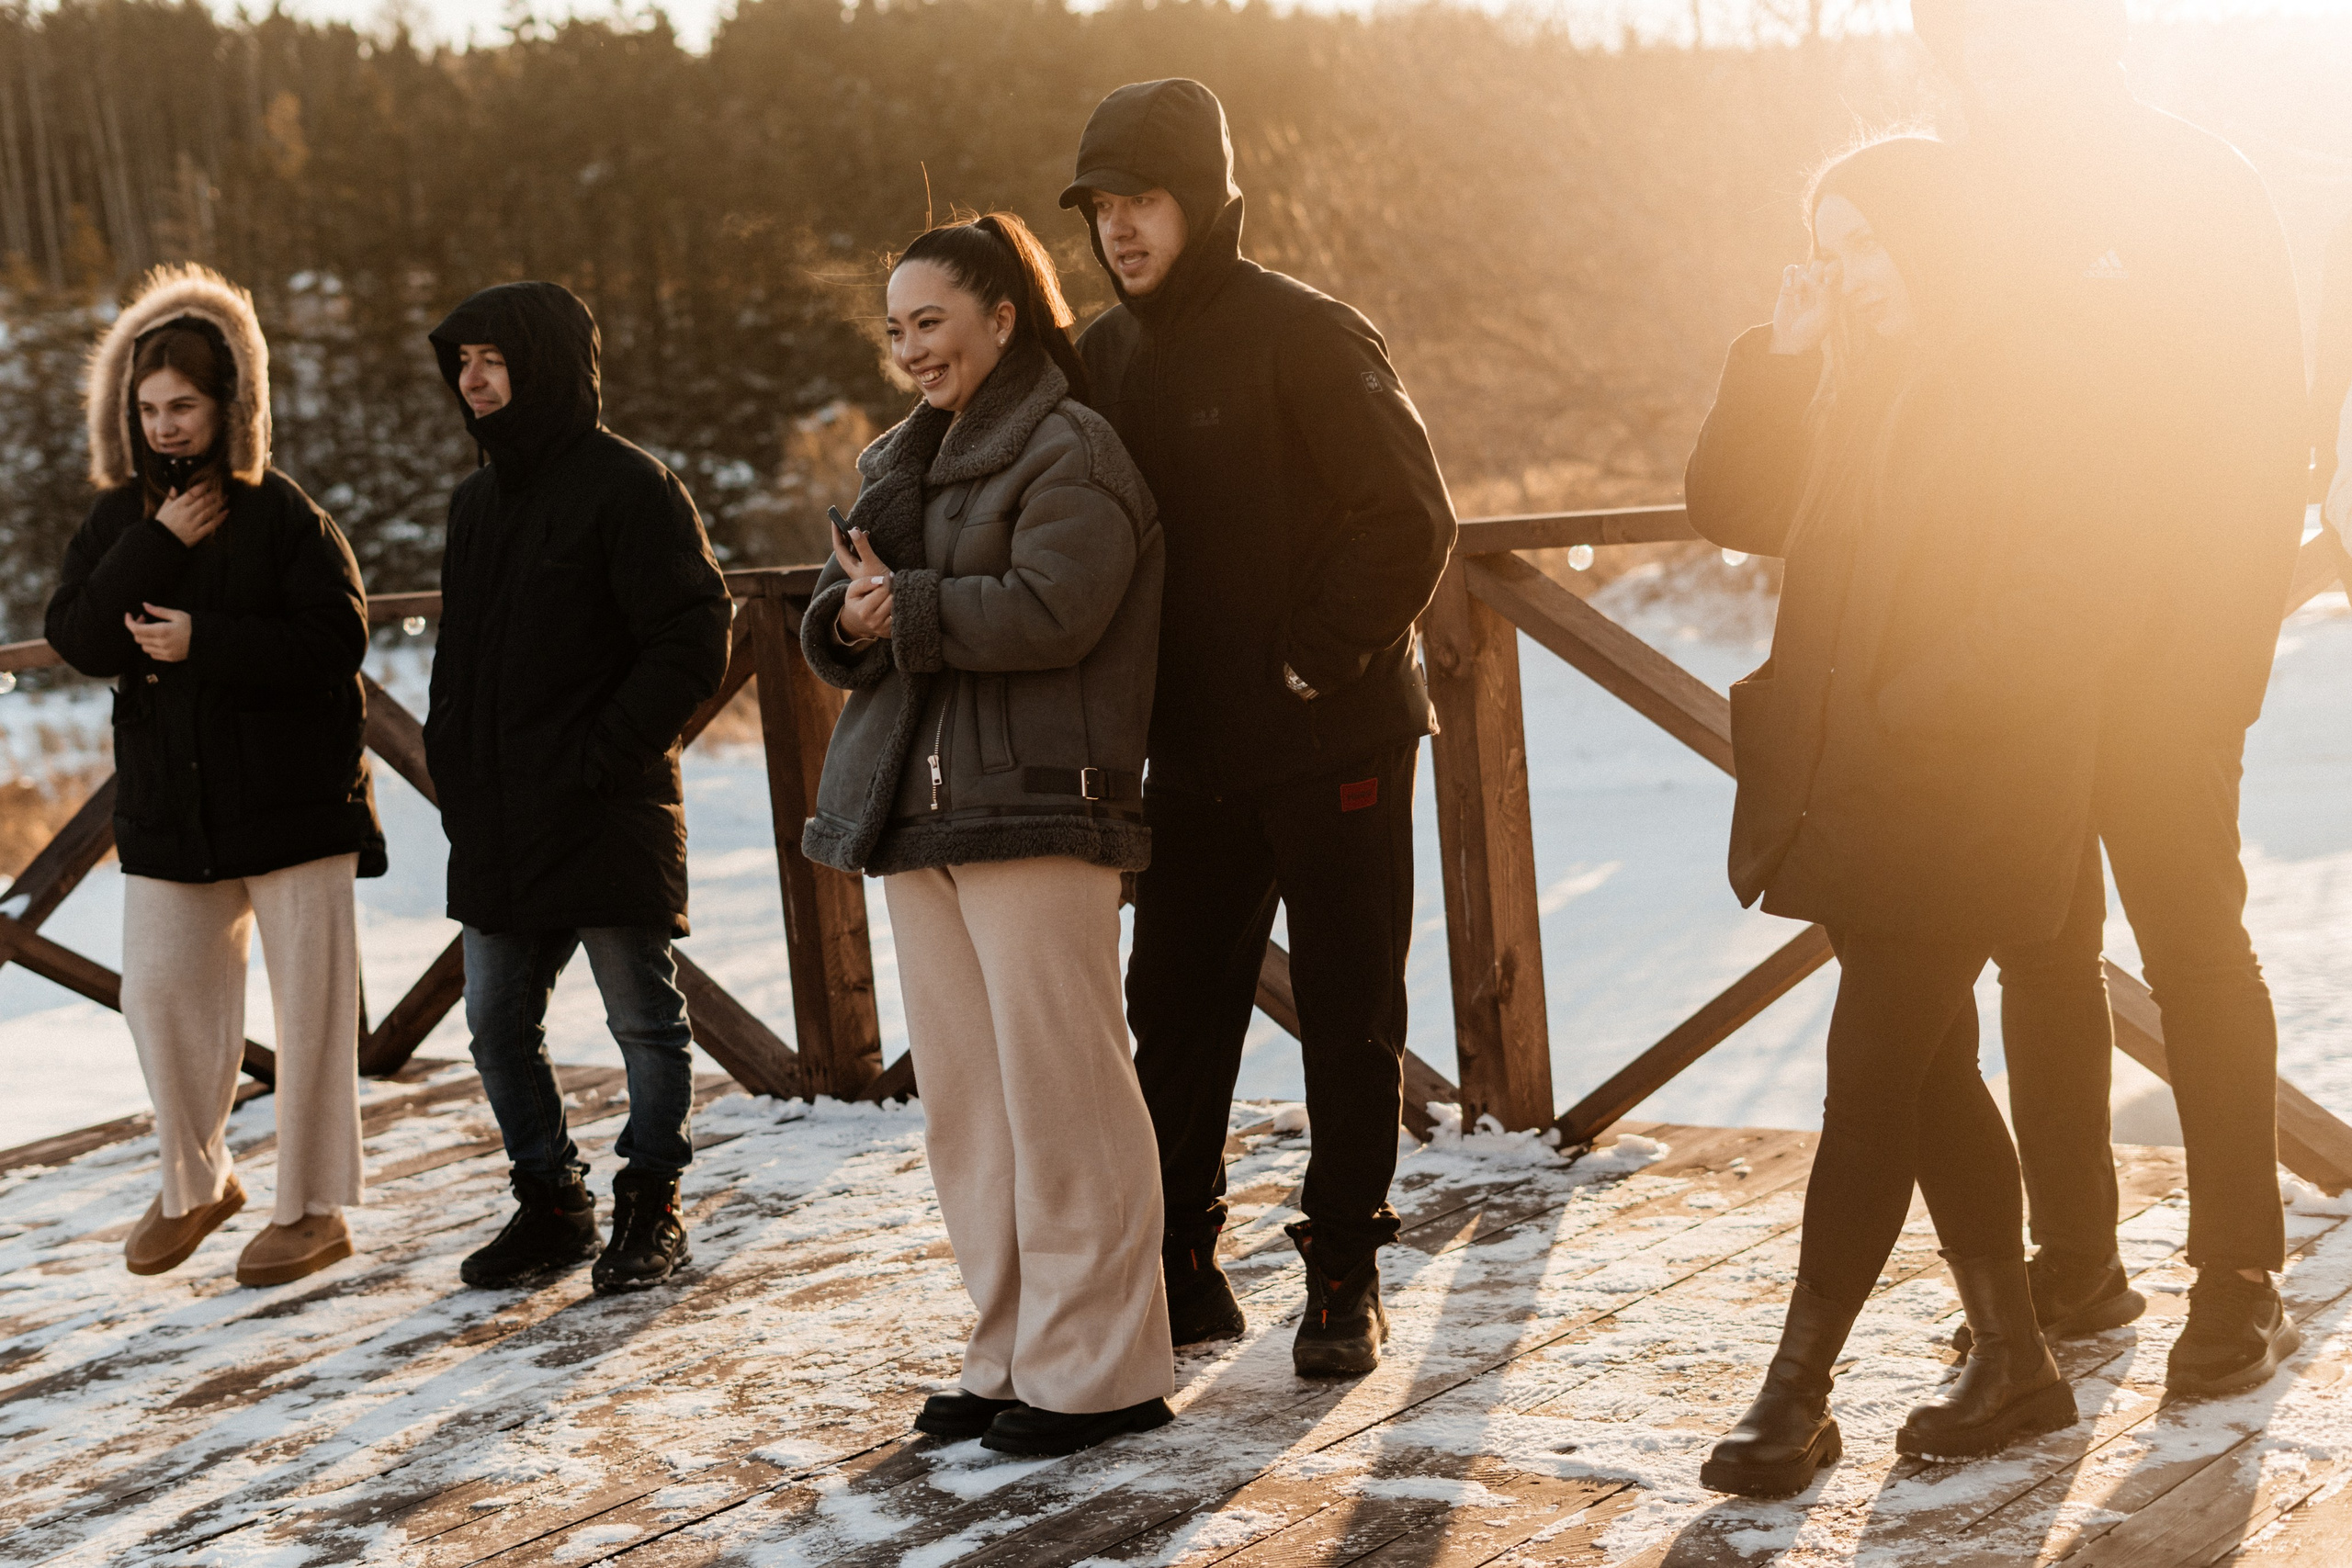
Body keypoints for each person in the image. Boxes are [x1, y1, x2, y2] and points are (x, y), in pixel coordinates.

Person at [1686, 136, 2123, 1496]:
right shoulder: (1855, 380)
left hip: (1965, 786)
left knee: (1869, 1073)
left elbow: (2060, 593)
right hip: (1867, 787)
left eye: (1867, 243)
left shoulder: (2026, 373)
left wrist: (1910, 704)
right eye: (1829, 247)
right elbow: (1733, 507)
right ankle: (2014, 1354)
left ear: (1935, 236)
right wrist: (1784, 347)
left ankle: (1794, 1393)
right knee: (1927, 1071)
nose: (1849, 273)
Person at [1913, 0, 2312, 1399]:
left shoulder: (2199, 181)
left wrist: (2218, 656)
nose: (1997, 56)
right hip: (2021, 662)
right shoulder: (1964, 197)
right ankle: (2074, 1262)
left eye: (2024, 30)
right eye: (1971, 37)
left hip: (2170, 665)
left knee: (2196, 950)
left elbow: (2280, 432)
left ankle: (2239, 1274)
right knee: (2037, 950)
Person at [1059, 78, 1458, 1376]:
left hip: (1332, 734)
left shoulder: (1306, 332)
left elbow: (1412, 515)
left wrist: (1312, 656)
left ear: (1205, 199)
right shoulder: (1101, 359)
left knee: (1348, 1009)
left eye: (1145, 200)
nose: (1121, 230)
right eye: (1103, 207)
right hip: (1192, 756)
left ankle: (1344, 1268)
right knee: (1173, 1008)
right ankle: (1182, 1260)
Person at [799, 212, 1170, 1456]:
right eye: (896, 328)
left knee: (1066, 1095)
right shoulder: (904, 457)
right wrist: (851, 619)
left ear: (1002, 317)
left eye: (932, 323)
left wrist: (900, 602)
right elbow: (838, 605)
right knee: (970, 1106)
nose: (910, 348)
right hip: (920, 811)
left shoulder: (1072, 448)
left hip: (1040, 800)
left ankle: (1103, 1365)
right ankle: (1013, 1347)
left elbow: (1060, 605)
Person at [45, 265, 381, 1289]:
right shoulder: (118, 524)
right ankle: (196, 1184)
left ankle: (315, 1210)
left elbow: (339, 639)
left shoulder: (284, 515)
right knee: (157, 994)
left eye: (183, 406)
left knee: (313, 1012)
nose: (164, 426)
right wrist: (152, 545)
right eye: (146, 410)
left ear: (228, 407)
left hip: (292, 803)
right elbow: (79, 638)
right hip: (169, 813)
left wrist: (209, 641)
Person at [424, 282, 731, 1295]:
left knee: (642, 1020)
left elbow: (692, 635)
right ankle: (551, 1201)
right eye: (461, 360)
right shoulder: (474, 502)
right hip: (502, 817)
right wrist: (452, 761)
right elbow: (460, 662)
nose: (471, 379)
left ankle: (653, 1200)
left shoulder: (632, 487)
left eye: (492, 359)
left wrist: (606, 756)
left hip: (603, 807)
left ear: (543, 365)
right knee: (494, 1025)